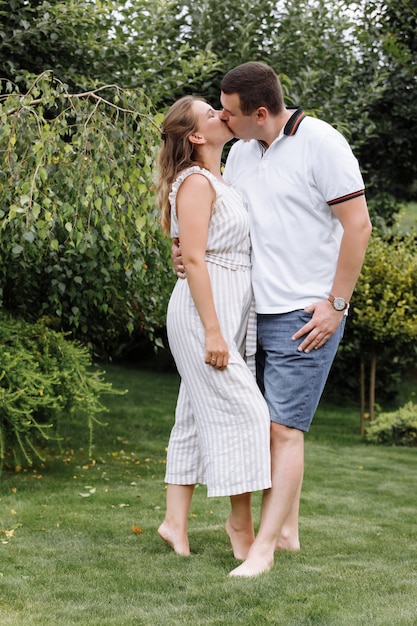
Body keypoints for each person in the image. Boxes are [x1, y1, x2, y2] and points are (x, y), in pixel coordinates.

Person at [173, 62, 372, 577]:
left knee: (284, 430)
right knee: (266, 428)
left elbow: (358, 226)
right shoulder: (239, 152)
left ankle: (261, 550)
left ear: (260, 113)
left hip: (305, 312)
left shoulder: (322, 144)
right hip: (250, 311)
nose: (222, 117)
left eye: (230, 112)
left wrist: (336, 303)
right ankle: (286, 532)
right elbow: (226, 223)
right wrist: (186, 251)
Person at [156, 95, 272, 566]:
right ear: (196, 137)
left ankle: (173, 522)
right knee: (247, 413)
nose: (222, 115)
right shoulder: (196, 181)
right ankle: (239, 522)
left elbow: (189, 246)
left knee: (192, 415)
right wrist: (213, 332)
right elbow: (196, 257)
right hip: (203, 317)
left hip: (225, 309)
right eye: (211, 113)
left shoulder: (223, 179)